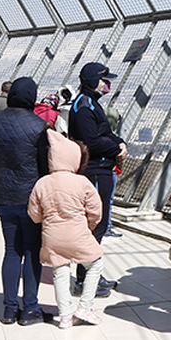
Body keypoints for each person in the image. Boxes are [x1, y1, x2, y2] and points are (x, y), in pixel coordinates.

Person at [0, 76, 49, 326]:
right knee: (32, 250)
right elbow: (44, 164)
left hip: (2, 195)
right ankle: (30, 307)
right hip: (29, 197)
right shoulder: (38, 125)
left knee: (11, 250)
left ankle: (10, 309)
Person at [28, 131, 104, 328]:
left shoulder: (42, 183)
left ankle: (64, 316)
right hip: (77, 233)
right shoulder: (82, 182)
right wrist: (89, 226)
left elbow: (34, 214)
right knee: (95, 264)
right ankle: (85, 306)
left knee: (59, 273)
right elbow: (96, 211)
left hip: (52, 236)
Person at [67, 62, 126, 296]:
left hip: (102, 166)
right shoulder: (84, 106)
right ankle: (85, 277)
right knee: (96, 224)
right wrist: (115, 149)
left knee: (97, 224)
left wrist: (119, 142)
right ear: (92, 81)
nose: (106, 84)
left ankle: (90, 273)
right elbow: (91, 141)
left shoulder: (92, 104)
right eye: (103, 80)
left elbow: (105, 133)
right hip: (95, 169)